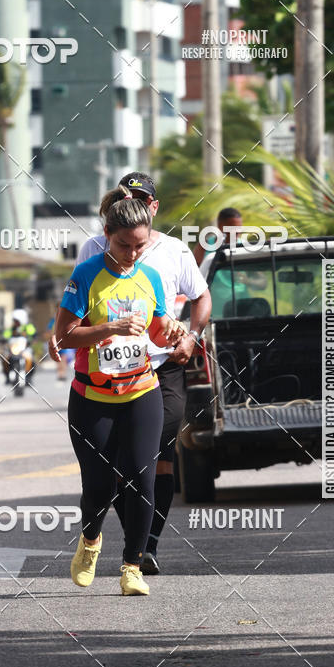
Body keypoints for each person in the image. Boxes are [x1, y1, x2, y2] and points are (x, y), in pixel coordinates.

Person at [51, 172, 212, 575]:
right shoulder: (88, 266)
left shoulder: (161, 265)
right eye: (125, 245)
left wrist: (179, 331)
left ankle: (136, 562)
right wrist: (107, 330)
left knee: (145, 469)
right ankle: (91, 540)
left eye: (139, 245)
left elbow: (164, 325)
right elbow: (67, 332)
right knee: (101, 484)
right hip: (94, 392)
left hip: (149, 382)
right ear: (108, 233)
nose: (133, 253)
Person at [1, 309, 36, 384]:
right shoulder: (12, 328)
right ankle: (7, 376)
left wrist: (32, 338)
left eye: (17, 320)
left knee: (31, 360)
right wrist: (3, 339)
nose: (15, 322)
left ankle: (29, 377)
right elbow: (5, 335)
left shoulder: (28, 327)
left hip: (24, 349)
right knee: (5, 359)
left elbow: (33, 334)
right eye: (15, 320)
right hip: (13, 350)